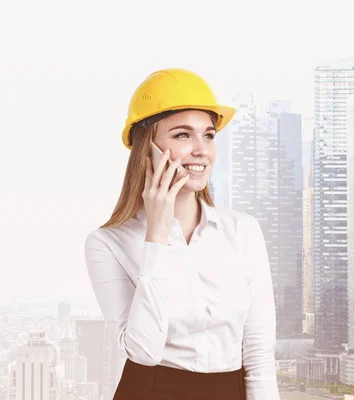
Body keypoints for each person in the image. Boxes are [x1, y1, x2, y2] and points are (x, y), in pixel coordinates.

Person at [84, 68, 280, 400]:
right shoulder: (108, 243)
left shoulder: (242, 231)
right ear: (148, 148)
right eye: (182, 135)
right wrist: (157, 236)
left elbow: (259, 354)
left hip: (228, 390)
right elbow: (143, 352)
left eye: (209, 135)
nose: (201, 149)